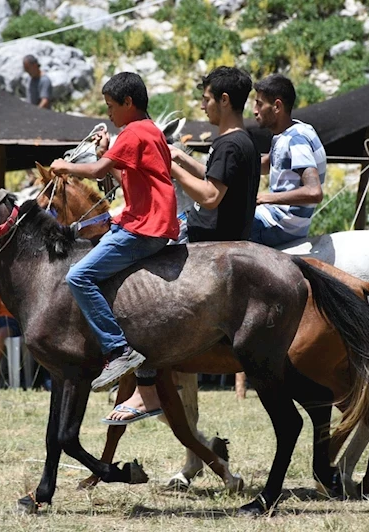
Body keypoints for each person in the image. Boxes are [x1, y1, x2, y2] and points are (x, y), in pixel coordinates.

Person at [104, 66, 261, 423]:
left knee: (137, 290)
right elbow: (215, 177)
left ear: (223, 100)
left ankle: (146, 390)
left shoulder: (226, 144)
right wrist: (177, 156)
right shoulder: (243, 141)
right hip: (226, 233)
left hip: (204, 235)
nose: (202, 106)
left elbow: (209, 196)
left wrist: (169, 168)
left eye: (206, 99)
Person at [49, 72, 179, 392]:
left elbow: (97, 173)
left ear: (128, 103)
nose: (108, 113)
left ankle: (118, 350)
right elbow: (117, 181)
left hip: (143, 229)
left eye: (110, 106)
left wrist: (65, 167)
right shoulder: (149, 131)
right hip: (151, 224)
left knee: (78, 277)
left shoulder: (133, 133)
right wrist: (105, 150)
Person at [250, 74, 326, 247]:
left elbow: (314, 192)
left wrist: (264, 198)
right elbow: (267, 165)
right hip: (276, 217)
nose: (255, 110)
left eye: (260, 104)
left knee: (219, 228)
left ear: (277, 106)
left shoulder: (295, 140)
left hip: (280, 225)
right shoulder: (288, 132)